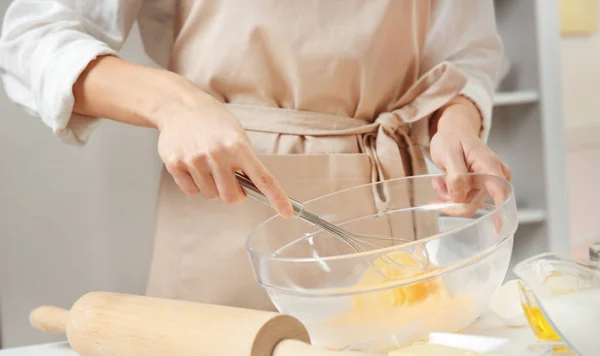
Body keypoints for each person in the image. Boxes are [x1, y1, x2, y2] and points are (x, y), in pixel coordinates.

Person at [0, 0, 510, 310]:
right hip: (231, 196)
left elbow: (467, 50)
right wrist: (176, 104)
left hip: (386, 208)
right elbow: (31, 39)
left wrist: (457, 119)